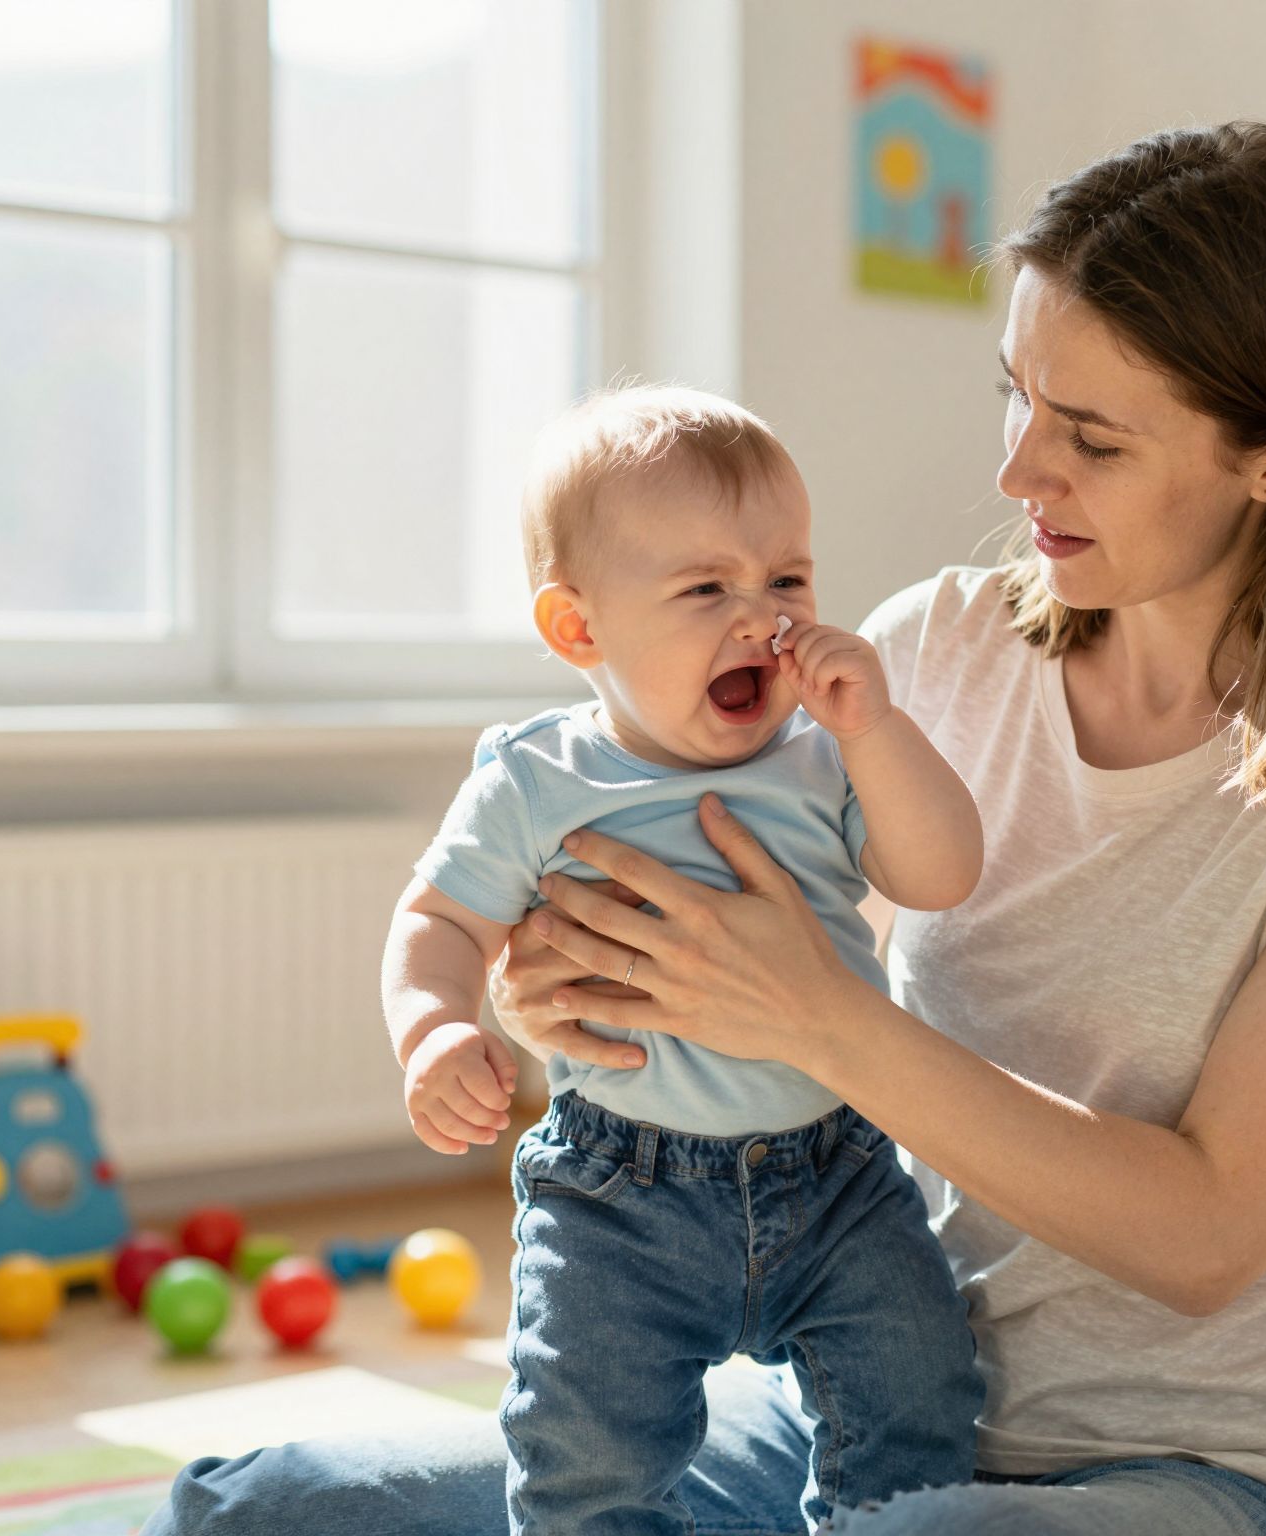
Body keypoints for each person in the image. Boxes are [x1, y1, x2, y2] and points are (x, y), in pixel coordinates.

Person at [146, 119, 1266, 1536]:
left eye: (1093, 439)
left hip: (1215, 1475)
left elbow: (1207, 1233)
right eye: (1020, 398)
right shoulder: (929, 647)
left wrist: (818, 1021)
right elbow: (728, 953)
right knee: (268, 1508)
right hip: (863, 1402)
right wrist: (558, 981)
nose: (1018, 475)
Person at [382, 384, 984, 1532]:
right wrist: (436, 1026)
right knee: (583, 1459)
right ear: (579, 629)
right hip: (622, 1194)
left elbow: (939, 874)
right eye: (707, 587)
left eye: (788, 580)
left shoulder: (821, 758)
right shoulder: (534, 780)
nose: (760, 617)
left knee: (920, 1410)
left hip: (838, 1173)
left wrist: (875, 731)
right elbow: (439, 923)